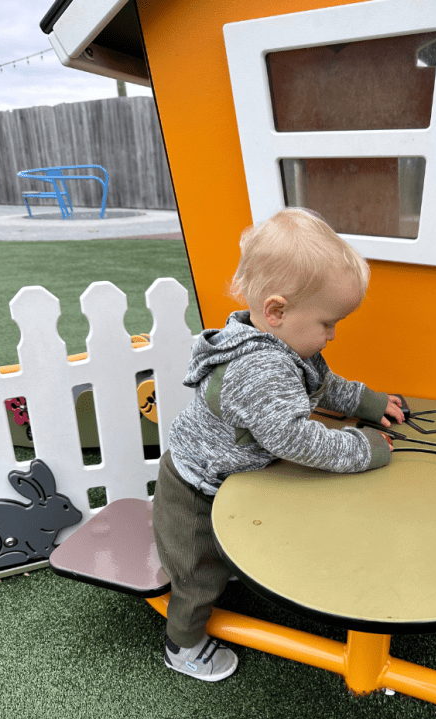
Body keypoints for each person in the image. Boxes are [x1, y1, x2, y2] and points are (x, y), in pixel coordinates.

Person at [152, 208, 405, 681]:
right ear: (277, 311)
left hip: (235, 476)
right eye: (328, 323)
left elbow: (322, 383)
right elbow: (297, 439)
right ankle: (182, 645)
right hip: (194, 492)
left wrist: (369, 402)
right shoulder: (259, 369)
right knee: (197, 575)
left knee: (237, 546)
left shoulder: (283, 345)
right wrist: (362, 448)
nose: (332, 334)